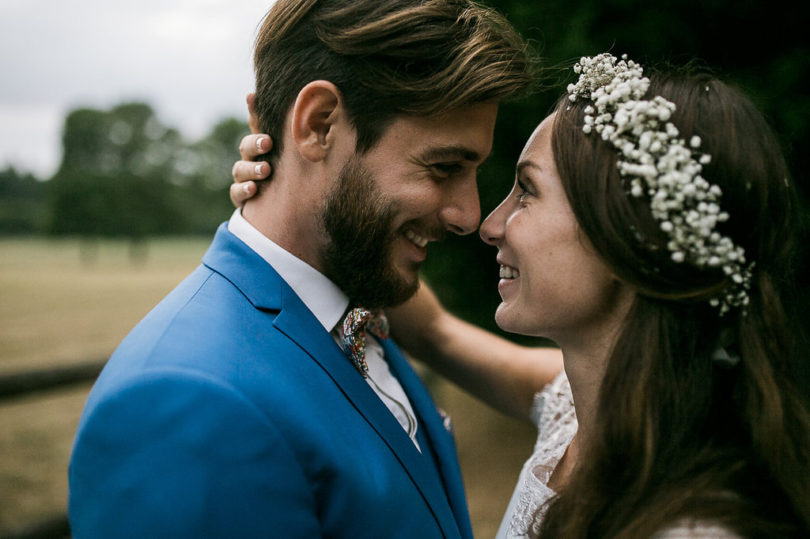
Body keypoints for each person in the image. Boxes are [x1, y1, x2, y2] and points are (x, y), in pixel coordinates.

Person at [232, 53, 810, 537]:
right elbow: (435, 332)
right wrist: (309, 191)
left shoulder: (693, 525)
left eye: (528, 192)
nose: (488, 223)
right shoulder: (581, 410)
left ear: (627, 237)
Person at [67, 1, 540, 537]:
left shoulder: (364, 302)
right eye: (443, 167)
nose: (469, 215)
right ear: (319, 125)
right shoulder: (182, 404)